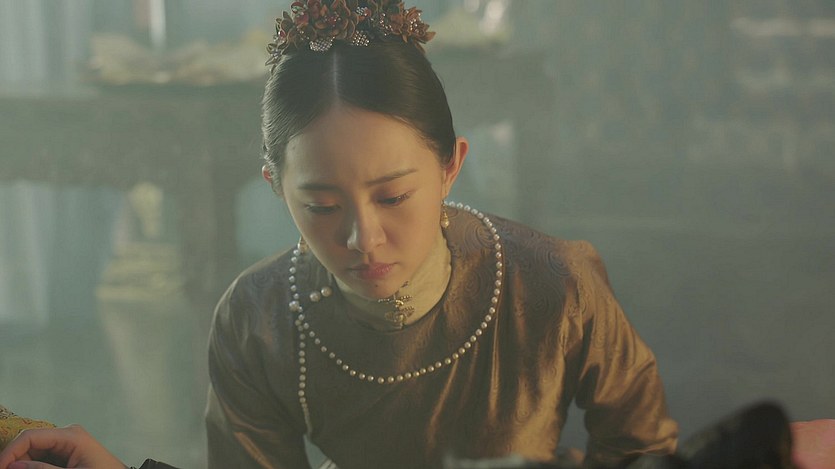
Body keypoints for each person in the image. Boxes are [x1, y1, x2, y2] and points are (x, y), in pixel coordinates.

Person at [0, 0, 679, 468]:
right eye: (321, 204)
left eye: (393, 196)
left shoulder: (555, 282)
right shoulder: (257, 316)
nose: (362, 237)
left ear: (450, 166)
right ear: (276, 187)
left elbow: (645, 450)